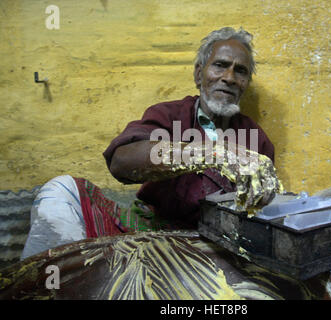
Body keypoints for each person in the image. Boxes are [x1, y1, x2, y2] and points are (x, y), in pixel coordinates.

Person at [21, 27, 281, 260]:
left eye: (241, 71)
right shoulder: (169, 115)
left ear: (246, 84)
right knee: (61, 192)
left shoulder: (256, 140)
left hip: (212, 250)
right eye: (220, 65)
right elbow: (121, 162)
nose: (230, 77)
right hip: (145, 234)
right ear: (199, 74)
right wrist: (212, 153)